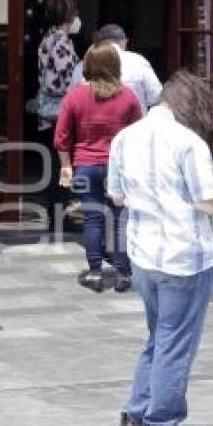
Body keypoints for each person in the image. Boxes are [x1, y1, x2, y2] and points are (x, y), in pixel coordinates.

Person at [108, 70, 213, 426]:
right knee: (176, 342)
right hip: (184, 255)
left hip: (142, 253)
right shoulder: (189, 143)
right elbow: (208, 202)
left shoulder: (124, 137)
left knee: (159, 337)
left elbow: (117, 197)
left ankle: (137, 414)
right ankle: (163, 425)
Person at [55, 42, 142, 293]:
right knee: (119, 219)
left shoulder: (76, 96)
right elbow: (139, 133)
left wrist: (65, 165)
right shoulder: (127, 97)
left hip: (85, 164)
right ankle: (123, 272)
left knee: (93, 218)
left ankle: (95, 272)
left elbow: (62, 135)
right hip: (118, 165)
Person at [37, 0, 81, 230]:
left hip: (47, 114)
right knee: (62, 163)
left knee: (53, 163)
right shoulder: (62, 43)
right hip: (60, 113)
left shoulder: (47, 39)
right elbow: (60, 81)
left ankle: (55, 213)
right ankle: (59, 216)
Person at [70, 23, 162, 113]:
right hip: (134, 124)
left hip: (92, 124)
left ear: (97, 42)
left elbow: (72, 100)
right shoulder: (138, 61)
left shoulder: (82, 65)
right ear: (125, 41)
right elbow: (156, 97)